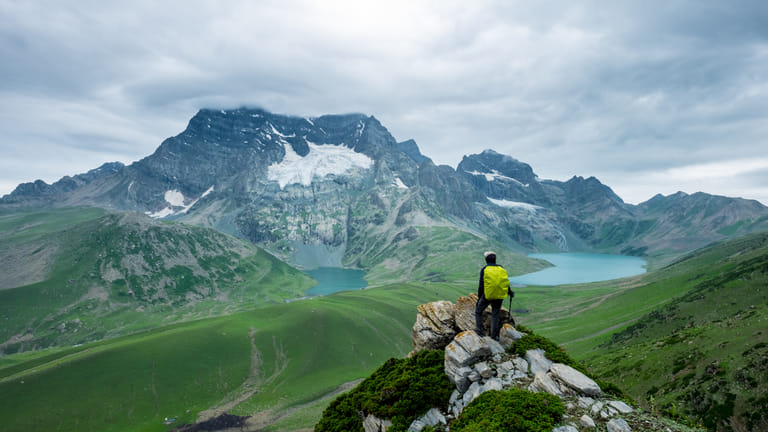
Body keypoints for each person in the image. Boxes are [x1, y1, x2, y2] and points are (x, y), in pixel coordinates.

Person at [475, 251, 512, 340]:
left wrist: (479, 298)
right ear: (495, 259)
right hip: (499, 295)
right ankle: (493, 336)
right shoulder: (501, 268)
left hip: (488, 295)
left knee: (478, 311)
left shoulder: (485, 269)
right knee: (495, 314)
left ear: (486, 260)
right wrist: (509, 292)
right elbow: (505, 282)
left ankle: (479, 332)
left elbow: (481, 285)